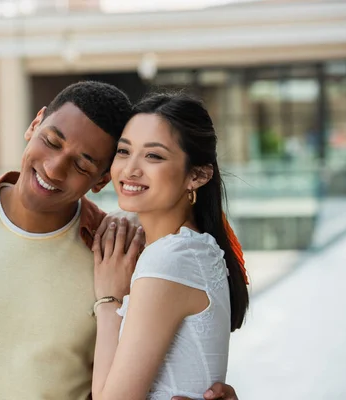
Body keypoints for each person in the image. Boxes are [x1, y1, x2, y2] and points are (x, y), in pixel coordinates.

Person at [0, 82, 238, 400]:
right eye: (52, 141)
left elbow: (157, 367)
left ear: (102, 180)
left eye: (82, 164)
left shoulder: (119, 252)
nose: (55, 168)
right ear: (35, 123)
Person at [91, 92, 249, 400]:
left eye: (154, 156)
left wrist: (109, 300)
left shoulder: (171, 259)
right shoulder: (193, 248)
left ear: (198, 175)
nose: (130, 170)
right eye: (124, 152)